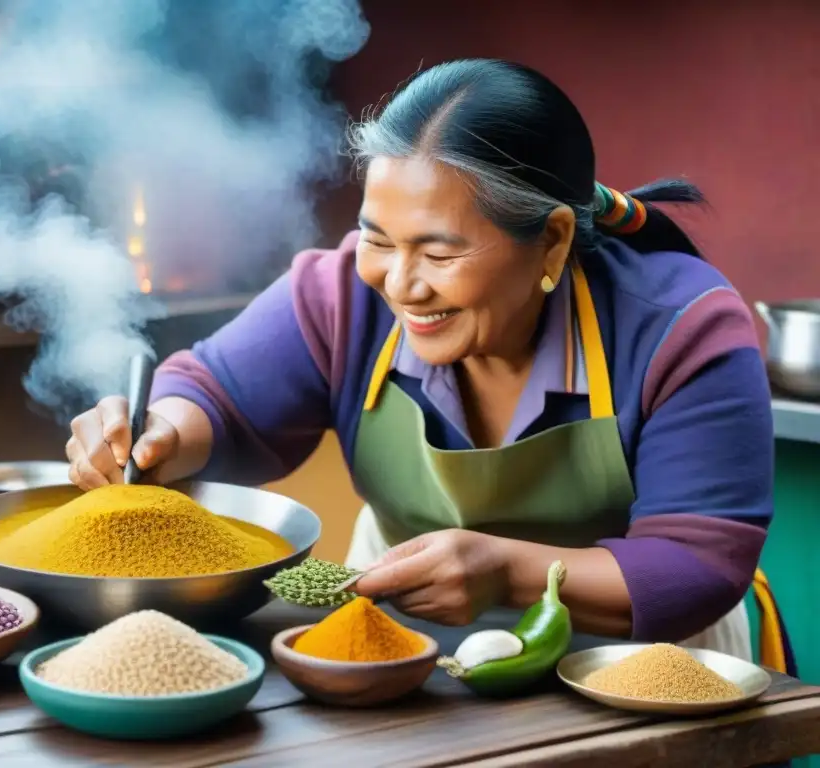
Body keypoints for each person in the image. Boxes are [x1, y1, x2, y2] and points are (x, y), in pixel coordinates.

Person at [66, 58, 794, 672]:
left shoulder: (682, 329)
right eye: (378, 238)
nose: (400, 284)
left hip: (633, 669)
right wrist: (161, 431)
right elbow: (215, 395)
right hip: (404, 657)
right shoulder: (343, 293)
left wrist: (505, 572)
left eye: (440, 254)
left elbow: (698, 568)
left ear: (551, 241)